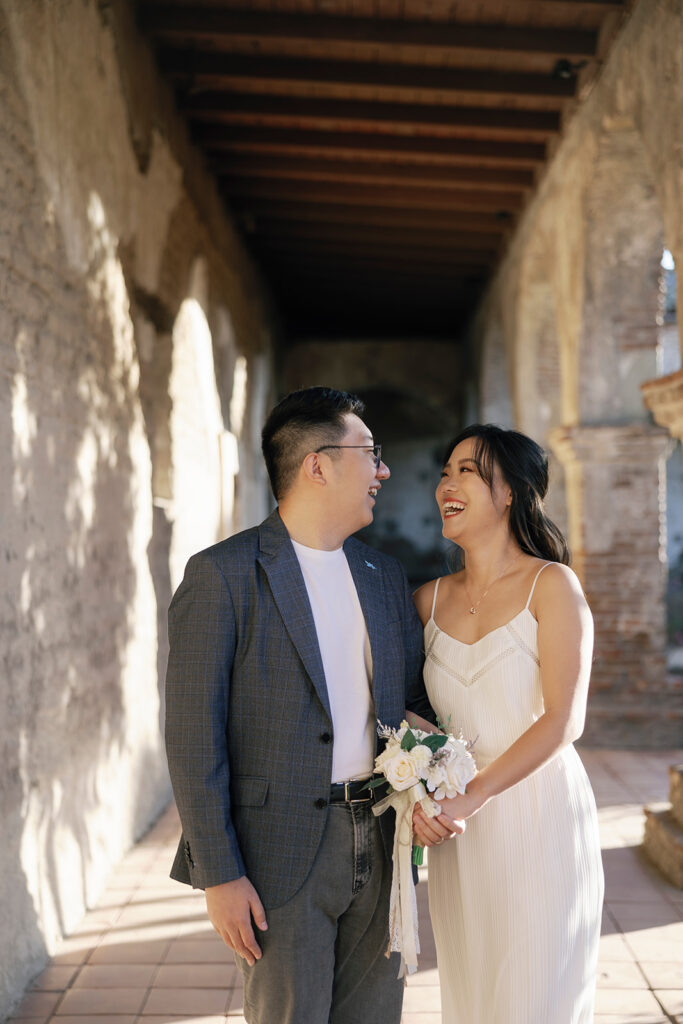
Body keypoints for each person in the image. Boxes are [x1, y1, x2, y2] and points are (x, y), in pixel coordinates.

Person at [165, 386, 436, 1024]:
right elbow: (191, 735)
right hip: (274, 855)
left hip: (382, 839)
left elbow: (413, 705)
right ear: (318, 464)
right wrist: (219, 875)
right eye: (370, 453)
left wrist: (439, 774)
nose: (383, 470)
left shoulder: (383, 577)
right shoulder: (222, 576)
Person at [411, 424, 604, 1024]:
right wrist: (419, 788)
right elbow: (408, 714)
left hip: (536, 808)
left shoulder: (553, 586)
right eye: (445, 471)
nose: (448, 482)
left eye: (467, 470)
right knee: (472, 996)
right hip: (459, 833)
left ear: (510, 493)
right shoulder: (427, 601)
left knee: (536, 998)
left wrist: (474, 796)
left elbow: (564, 720)